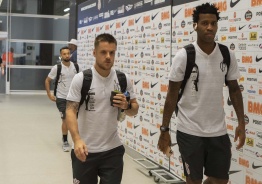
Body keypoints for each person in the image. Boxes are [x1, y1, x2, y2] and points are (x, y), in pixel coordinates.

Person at [157, 3, 245, 184]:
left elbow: (235, 90)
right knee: (194, 180)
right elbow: (171, 95)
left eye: (213, 23)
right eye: (205, 23)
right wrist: (164, 130)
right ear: (195, 25)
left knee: (219, 180)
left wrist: (241, 123)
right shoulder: (184, 56)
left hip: (218, 131)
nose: (210, 27)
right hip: (190, 131)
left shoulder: (226, 54)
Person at [65, 33, 139, 184]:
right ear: (94, 53)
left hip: (113, 150)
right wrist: (76, 140)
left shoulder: (122, 79)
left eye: (112, 52)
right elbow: (70, 110)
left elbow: (134, 109)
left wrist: (126, 106)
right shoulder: (82, 79)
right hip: (84, 150)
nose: (108, 57)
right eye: (103, 52)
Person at [45, 46, 81, 152]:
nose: (66, 55)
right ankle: (65, 141)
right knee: (65, 119)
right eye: (64, 54)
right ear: (61, 55)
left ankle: (77, 140)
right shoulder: (57, 68)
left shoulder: (76, 67)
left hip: (74, 98)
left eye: (68, 53)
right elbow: (47, 80)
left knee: (74, 119)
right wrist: (49, 94)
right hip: (61, 98)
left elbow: (81, 80)